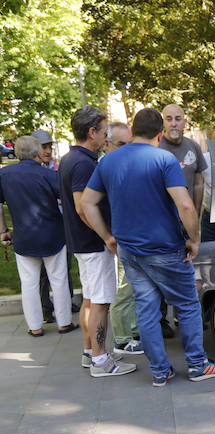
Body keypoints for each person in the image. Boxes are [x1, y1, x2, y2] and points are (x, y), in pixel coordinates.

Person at [82, 107, 215, 387]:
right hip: (164, 249)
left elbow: (86, 203)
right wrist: (195, 239)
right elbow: (185, 204)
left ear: (133, 130)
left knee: (146, 308)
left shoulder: (108, 161)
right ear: (160, 134)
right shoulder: (164, 159)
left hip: (129, 250)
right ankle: (198, 365)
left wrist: (107, 236)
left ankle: (160, 371)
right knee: (187, 304)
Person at [58, 106, 136, 377]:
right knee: (100, 302)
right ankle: (102, 361)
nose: (106, 138)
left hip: (83, 243)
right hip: (92, 244)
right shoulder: (83, 163)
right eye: (104, 132)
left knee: (91, 300)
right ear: (92, 132)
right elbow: (83, 207)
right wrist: (107, 237)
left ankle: (90, 352)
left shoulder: (70, 158)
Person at [0, 136, 74, 337]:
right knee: (58, 280)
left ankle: (35, 326)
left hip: (24, 236)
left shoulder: (5, 174)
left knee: (29, 283)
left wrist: (3, 230)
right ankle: (64, 322)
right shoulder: (48, 175)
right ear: (37, 152)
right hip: (53, 235)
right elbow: (67, 200)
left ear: (16, 152)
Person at [158, 104, 206, 338]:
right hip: (164, 222)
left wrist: (196, 213)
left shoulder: (193, 147)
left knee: (188, 269)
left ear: (185, 121)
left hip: (189, 219)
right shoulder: (157, 149)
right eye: (169, 119)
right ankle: (160, 319)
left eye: (178, 118)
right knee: (161, 273)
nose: (174, 123)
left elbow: (198, 183)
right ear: (163, 123)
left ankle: (183, 315)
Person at [103, 122, 143, 355]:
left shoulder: (125, 165)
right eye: (121, 144)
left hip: (132, 235)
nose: (127, 148)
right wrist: (109, 236)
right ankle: (121, 339)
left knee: (133, 287)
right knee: (122, 290)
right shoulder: (105, 168)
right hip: (117, 239)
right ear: (107, 144)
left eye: (130, 143)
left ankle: (134, 332)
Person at [32, 129, 76, 322]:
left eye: (50, 146)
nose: (48, 150)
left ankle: (67, 302)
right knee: (42, 273)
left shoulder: (58, 168)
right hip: (40, 226)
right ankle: (46, 308)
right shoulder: (32, 171)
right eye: (44, 147)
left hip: (62, 224)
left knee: (64, 266)